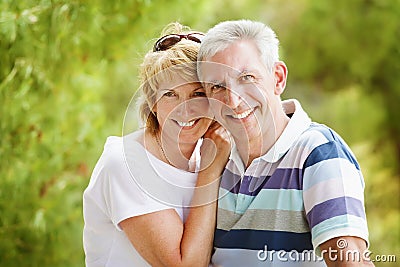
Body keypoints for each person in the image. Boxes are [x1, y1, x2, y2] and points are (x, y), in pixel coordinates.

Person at [197, 20, 373, 266]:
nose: (233, 101)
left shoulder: (319, 153)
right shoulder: (214, 160)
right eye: (217, 86)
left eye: (247, 77)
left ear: (277, 78)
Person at [83, 22, 230, 267]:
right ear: (152, 102)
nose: (184, 108)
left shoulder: (207, 154)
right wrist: (210, 170)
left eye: (198, 94)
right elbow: (186, 265)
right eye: (169, 94)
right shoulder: (126, 163)